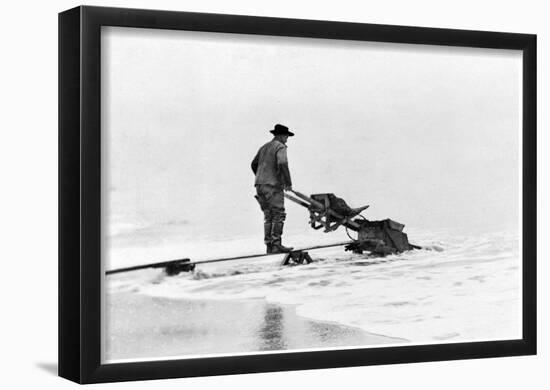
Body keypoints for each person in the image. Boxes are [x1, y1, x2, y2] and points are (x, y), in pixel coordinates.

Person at [251, 124, 295, 254]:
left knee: (268, 215)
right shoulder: (280, 146)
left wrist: (262, 176)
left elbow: (253, 164)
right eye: (286, 137)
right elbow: (282, 163)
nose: (287, 139)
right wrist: (287, 183)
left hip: (259, 185)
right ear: (282, 136)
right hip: (273, 185)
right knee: (278, 214)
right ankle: (276, 244)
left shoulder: (264, 147)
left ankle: (269, 246)